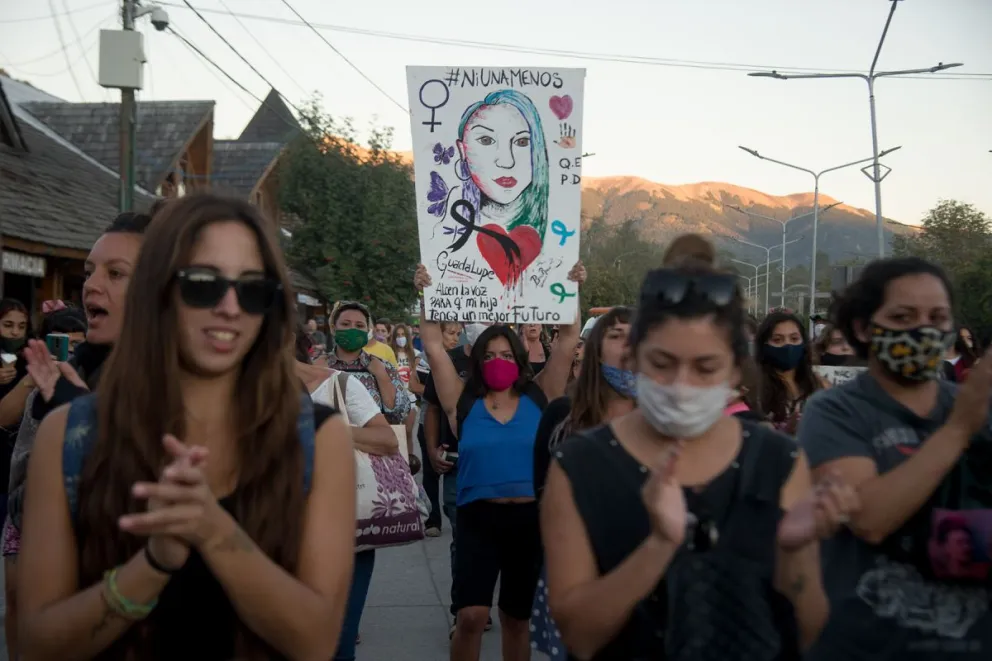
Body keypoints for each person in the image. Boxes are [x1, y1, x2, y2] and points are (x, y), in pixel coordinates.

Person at [17, 194, 356, 660]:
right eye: (203, 283)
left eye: (253, 289)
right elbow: (34, 645)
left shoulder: (317, 439)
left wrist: (213, 530)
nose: (230, 308)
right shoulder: (70, 437)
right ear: (157, 291)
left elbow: (316, 641)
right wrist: (153, 562)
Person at [541, 263, 859, 660]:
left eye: (705, 366)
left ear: (734, 367)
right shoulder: (580, 464)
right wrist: (658, 547)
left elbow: (810, 633)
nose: (682, 383)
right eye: (663, 362)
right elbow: (579, 636)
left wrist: (796, 553)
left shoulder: (776, 459)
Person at [798, 256, 992, 661]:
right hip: (867, 646)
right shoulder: (835, 412)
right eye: (903, 316)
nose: (924, 329)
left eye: (938, 317)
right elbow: (869, 519)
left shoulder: (978, 407)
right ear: (863, 328)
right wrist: (958, 430)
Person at [416, 260, 584, 661]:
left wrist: (571, 288)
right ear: (476, 360)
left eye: (506, 354)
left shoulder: (540, 393)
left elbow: (567, 339)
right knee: (471, 616)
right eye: (489, 355)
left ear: (520, 358)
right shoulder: (463, 400)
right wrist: (425, 293)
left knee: (515, 619)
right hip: (478, 519)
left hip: (528, 523)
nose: (498, 361)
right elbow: (434, 344)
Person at [2, 212, 151, 661]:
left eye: (116, 273)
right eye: (88, 272)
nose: (90, 285)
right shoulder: (70, 372)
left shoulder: (189, 384)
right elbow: (25, 501)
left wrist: (82, 420)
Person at [530, 306, 636, 656]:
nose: (628, 346)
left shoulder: (668, 422)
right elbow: (542, 496)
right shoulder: (563, 415)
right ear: (595, 350)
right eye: (616, 335)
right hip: (579, 568)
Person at [325, 301, 411, 659]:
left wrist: (380, 377)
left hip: (370, 478)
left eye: (360, 323)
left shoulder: (383, 366)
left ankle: (347, 630)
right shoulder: (318, 368)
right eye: (345, 322)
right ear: (333, 327)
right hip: (326, 478)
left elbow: (400, 413)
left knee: (359, 557)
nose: (353, 328)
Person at [422, 321, 489, 634]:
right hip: (457, 466)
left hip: (500, 470)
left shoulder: (511, 364)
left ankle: (483, 604)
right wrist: (434, 448)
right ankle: (463, 610)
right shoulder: (451, 362)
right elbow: (434, 408)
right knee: (463, 541)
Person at [419, 321, 461, 538]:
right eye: (450, 333)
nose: (455, 338)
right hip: (441, 435)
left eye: (458, 334)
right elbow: (432, 406)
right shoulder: (441, 361)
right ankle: (432, 517)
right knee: (432, 472)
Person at [756, 309, 827, 434]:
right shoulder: (755, 387)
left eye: (794, 339)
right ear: (764, 345)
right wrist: (787, 431)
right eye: (778, 340)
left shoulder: (818, 383)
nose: (787, 345)